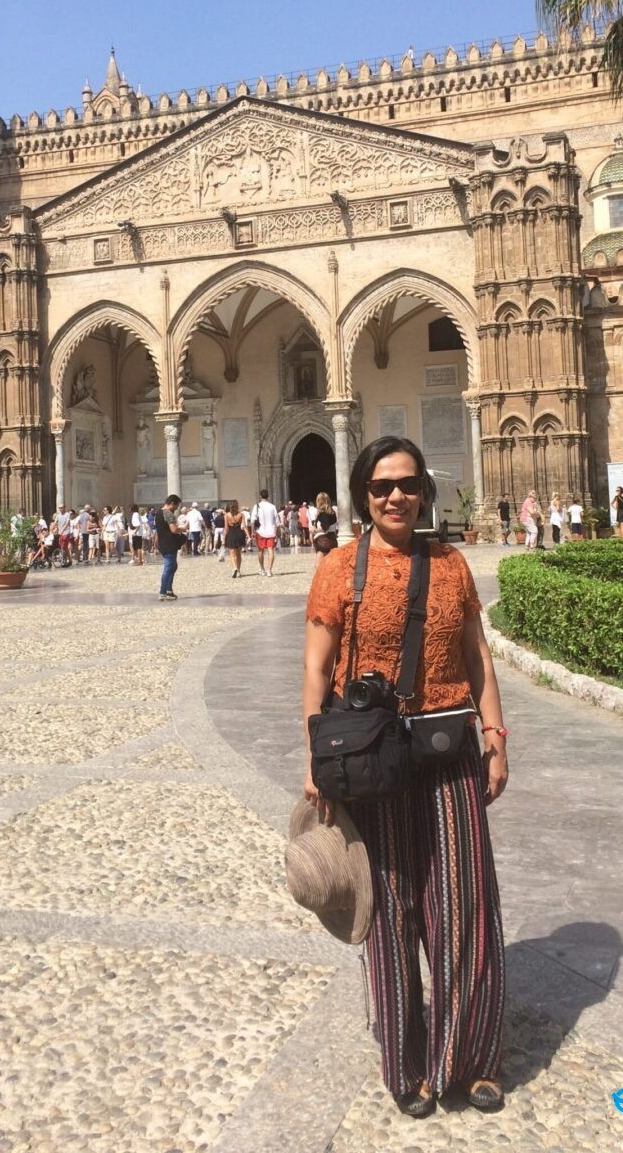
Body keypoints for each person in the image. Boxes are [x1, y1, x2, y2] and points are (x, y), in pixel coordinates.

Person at [303, 435, 507, 1117]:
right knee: (390, 911)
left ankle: (471, 1058)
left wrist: (497, 739)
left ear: (425, 492)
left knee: (463, 907)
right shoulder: (339, 567)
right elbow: (315, 666)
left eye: (408, 484)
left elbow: (477, 656)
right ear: (364, 495)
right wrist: (314, 754)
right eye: (383, 485)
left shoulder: (451, 566)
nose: (396, 496)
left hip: (448, 750)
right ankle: (409, 1065)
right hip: (374, 758)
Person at [155, 494, 187, 600]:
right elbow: (173, 530)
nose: (176, 509)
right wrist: (184, 528)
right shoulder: (168, 514)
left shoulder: (158, 513)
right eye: (176, 506)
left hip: (162, 543)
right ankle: (163, 591)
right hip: (169, 544)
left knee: (173, 566)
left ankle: (169, 590)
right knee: (168, 568)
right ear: (172, 503)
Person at [253, 488, 279, 577]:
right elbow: (277, 521)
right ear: (268, 496)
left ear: (260, 496)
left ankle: (262, 568)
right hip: (271, 531)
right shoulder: (272, 506)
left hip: (260, 531)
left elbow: (253, 521)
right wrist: (277, 532)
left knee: (260, 550)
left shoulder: (256, 506)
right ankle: (269, 570)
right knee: (270, 550)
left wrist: (253, 531)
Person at [311, 490, 338, 563]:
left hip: (323, 541)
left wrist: (314, 530)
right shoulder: (332, 512)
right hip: (332, 539)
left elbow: (325, 527)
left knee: (319, 566)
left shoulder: (323, 514)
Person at [224, 499, 247, 578]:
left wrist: (223, 539)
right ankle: (239, 571)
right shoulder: (241, 515)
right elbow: (244, 526)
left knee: (232, 554)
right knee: (238, 554)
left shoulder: (227, 515)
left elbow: (226, 528)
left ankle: (235, 568)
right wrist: (248, 535)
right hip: (239, 534)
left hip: (231, 534)